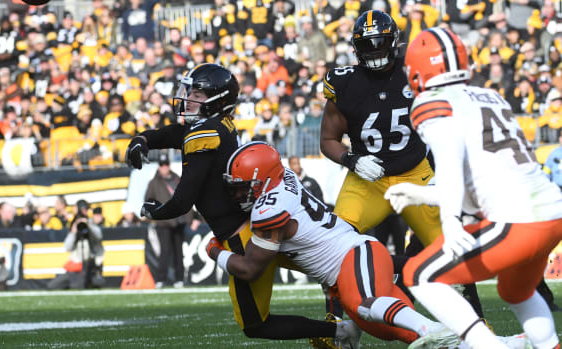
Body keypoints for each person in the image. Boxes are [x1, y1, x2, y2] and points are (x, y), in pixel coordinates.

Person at [125, 63, 357, 347]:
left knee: (255, 325)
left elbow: (183, 200)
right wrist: (143, 139)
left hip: (241, 238)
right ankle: (346, 302)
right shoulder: (219, 124)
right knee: (327, 266)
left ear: (216, 100)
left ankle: (341, 332)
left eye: (196, 94)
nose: (187, 98)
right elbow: (176, 134)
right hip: (253, 225)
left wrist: (153, 211)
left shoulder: (203, 134)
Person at [385, 27, 562, 349]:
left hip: (519, 219)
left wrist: (451, 223)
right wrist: (422, 193)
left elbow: (450, 163)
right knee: (516, 291)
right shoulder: (489, 95)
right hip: (551, 211)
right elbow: (484, 178)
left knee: (419, 274)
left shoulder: (431, 101)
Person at [211, 142, 462, 348]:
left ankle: (431, 327)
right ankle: (488, 343)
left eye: (244, 188)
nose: (238, 195)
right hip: (350, 266)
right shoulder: (283, 177)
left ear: (264, 182)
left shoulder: (270, 210)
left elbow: (249, 270)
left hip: (355, 255)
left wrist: (214, 251)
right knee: (396, 332)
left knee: (365, 304)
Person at [320, 10, 484, 319]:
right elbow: (328, 140)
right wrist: (352, 160)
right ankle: (337, 327)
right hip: (367, 180)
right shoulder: (344, 83)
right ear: (356, 49)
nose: (375, 51)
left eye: (380, 43)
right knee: (332, 246)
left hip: (416, 174)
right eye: (367, 46)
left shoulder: (414, 73)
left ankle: (479, 328)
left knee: (452, 252)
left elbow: (446, 117)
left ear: (393, 42)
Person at [145, 153, 200, 289]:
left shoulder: (177, 179)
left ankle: (179, 279)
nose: (164, 167)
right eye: (162, 165)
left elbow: (187, 198)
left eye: (166, 164)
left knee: (178, 252)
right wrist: (154, 214)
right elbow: (148, 200)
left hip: (179, 221)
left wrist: (194, 217)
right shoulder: (154, 183)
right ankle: (161, 279)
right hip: (164, 222)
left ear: (168, 165)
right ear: (159, 167)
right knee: (164, 251)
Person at [48, 200, 105, 289]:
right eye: (84, 209)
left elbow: (99, 236)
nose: (85, 212)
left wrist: (88, 225)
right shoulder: (73, 224)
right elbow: (67, 247)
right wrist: (74, 232)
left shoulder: (91, 223)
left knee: (95, 283)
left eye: (86, 209)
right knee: (53, 286)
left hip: (90, 267)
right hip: (75, 269)